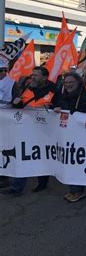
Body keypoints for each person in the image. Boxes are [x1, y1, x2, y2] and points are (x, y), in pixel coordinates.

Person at [2, 66, 56, 196]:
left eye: (35, 75)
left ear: (44, 77)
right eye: (32, 75)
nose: (32, 77)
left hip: (44, 130)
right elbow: (22, 105)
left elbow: (61, 106)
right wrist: (16, 103)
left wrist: (56, 107)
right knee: (22, 155)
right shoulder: (28, 88)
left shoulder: (54, 90)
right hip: (26, 129)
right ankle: (17, 187)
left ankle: (42, 182)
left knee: (43, 157)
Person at [52, 72, 86, 202]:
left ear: (78, 83)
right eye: (66, 83)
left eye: (71, 82)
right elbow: (53, 107)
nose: (68, 85)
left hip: (81, 136)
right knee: (69, 162)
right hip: (66, 135)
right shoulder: (61, 96)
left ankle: (78, 190)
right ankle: (73, 189)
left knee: (77, 162)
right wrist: (55, 109)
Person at [0, 60, 20, 189]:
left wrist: (16, 102)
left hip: (6, 118)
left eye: (3, 70)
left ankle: (4, 177)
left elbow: (16, 99)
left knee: (4, 148)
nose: (2, 73)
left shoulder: (12, 83)